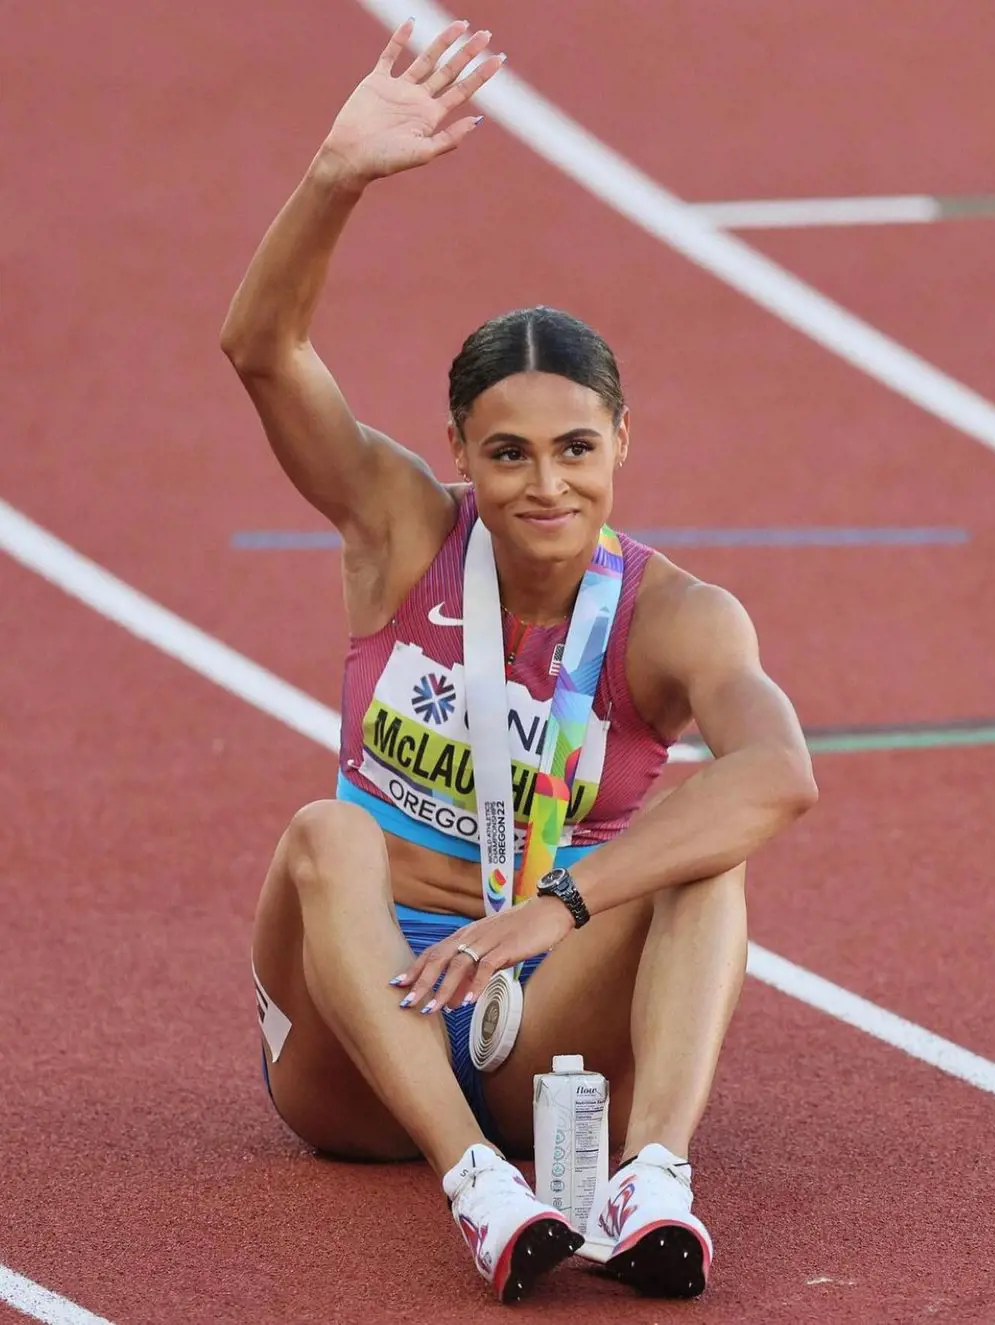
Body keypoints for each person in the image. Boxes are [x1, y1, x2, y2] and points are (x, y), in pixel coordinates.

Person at [221, 18, 817, 1306]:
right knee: (327, 830)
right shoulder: (400, 531)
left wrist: (555, 909)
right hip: (359, 1035)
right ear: (460, 451)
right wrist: (336, 177)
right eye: (508, 454)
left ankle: (653, 1176)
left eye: (575, 449)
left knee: (710, 863)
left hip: (535, 1004)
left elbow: (779, 774)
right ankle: (479, 1194)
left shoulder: (676, 616)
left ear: (621, 447)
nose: (546, 484)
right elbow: (264, 352)